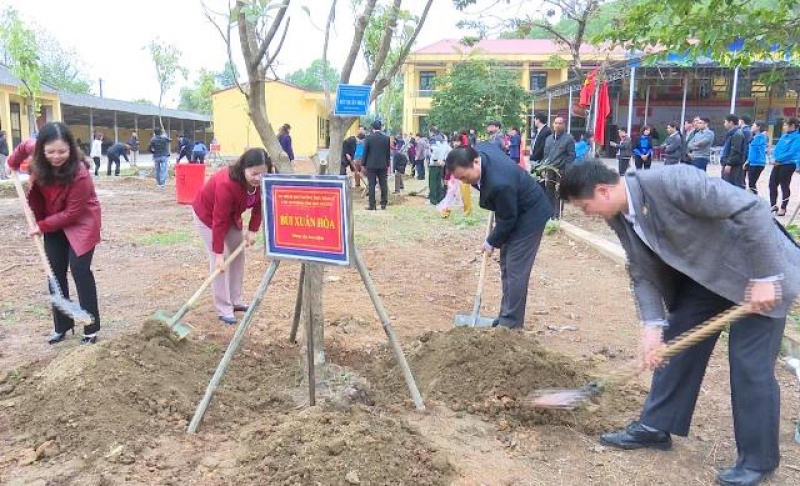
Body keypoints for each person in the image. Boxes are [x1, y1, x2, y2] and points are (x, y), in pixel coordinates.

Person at [559, 161, 800, 486]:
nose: (587, 214)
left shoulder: (672, 181)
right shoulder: (618, 214)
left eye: (585, 207)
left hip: (757, 270)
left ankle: (758, 461)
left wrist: (765, 276)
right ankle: (656, 426)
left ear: (603, 191)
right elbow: (641, 269)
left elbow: (753, 208)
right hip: (706, 278)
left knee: (749, 366)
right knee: (674, 342)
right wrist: (652, 326)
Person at [7, 122, 102, 345]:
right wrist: (10, 162)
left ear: (71, 148)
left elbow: (72, 212)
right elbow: (22, 148)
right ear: (41, 149)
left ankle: (91, 327)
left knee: (80, 270)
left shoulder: (80, 174)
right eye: (50, 152)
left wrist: (42, 226)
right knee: (54, 272)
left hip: (81, 221)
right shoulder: (35, 150)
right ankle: (62, 326)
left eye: (62, 151)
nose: (56, 156)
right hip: (52, 218)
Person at [446, 142, 552, 329]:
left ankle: (510, 323)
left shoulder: (499, 184)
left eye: (464, 177)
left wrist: (490, 241)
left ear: (476, 162)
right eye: (460, 179)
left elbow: (507, 220)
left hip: (530, 215)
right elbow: (493, 146)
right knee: (506, 264)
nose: (464, 182)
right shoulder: (482, 150)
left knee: (515, 269)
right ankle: (506, 315)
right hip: (513, 205)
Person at [192, 148, 273, 325]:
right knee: (220, 262)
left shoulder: (262, 182)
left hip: (231, 216)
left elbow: (260, 206)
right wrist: (219, 254)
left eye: (263, 173)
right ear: (244, 168)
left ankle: (236, 301)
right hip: (207, 216)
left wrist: (252, 230)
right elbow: (219, 221)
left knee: (238, 255)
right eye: (254, 173)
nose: (258, 178)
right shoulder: (226, 184)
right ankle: (224, 307)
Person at [542, 116, 575, 219]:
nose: (557, 125)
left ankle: (557, 214)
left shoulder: (568, 138)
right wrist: (543, 168)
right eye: (556, 123)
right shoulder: (548, 139)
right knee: (549, 191)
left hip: (561, 170)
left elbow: (571, 155)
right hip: (550, 169)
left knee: (559, 192)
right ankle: (549, 213)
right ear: (553, 124)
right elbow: (546, 155)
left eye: (560, 123)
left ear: (564, 125)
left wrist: (566, 170)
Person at [769, 117, 800, 216]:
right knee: (772, 184)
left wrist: (778, 160)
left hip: (788, 165)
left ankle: (783, 207)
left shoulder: (797, 138)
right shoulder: (783, 136)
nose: (783, 127)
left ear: (792, 126)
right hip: (777, 164)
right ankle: (773, 205)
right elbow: (777, 149)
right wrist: (774, 158)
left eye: (785, 125)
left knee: (784, 186)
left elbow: (791, 153)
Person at [362, 119, 391, 210]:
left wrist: (363, 164)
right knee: (383, 184)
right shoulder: (386, 138)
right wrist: (387, 163)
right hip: (383, 165)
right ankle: (383, 204)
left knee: (371, 185)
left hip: (371, 165)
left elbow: (365, 152)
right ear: (381, 127)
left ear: (372, 127)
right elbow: (388, 152)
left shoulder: (368, 138)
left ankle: (372, 205)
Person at [720, 114, 747, 188]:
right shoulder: (732, 133)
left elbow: (735, 151)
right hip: (728, 163)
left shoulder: (737, 134)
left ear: (731, 122)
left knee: (733, 185)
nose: (724, 124)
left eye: (725, 122)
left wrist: (729, 164)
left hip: (734, 166)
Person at [745, 120, 768, 194]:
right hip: (752, 162)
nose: (751, 127)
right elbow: (751, 151)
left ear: (758, 127)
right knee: (751, 183)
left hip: (758, 163)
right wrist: (747, 161)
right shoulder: (756, 136)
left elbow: (756, 149)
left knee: (752, 183)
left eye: (753, 125)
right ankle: (753, 198)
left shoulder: (761, 137)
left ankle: (754, 199)